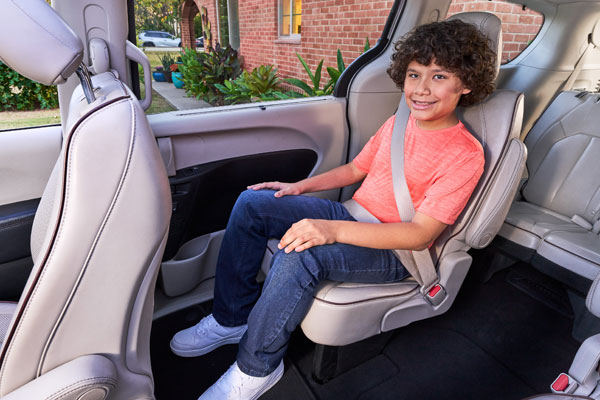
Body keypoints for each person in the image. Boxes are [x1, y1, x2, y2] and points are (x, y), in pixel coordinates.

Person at [170, 18, 497, 400]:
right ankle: (232, 317)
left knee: (300, 255)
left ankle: (257, 368)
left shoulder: (464, 153)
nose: (421, 89)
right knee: (254, 204)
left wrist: (331, 230)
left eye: (439, 77)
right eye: (413, 74)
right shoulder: (400, 120)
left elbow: (420, 234)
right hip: (354, 215)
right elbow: (358, 168)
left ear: (467, 84)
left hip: (398, 252)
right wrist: (298, 187)